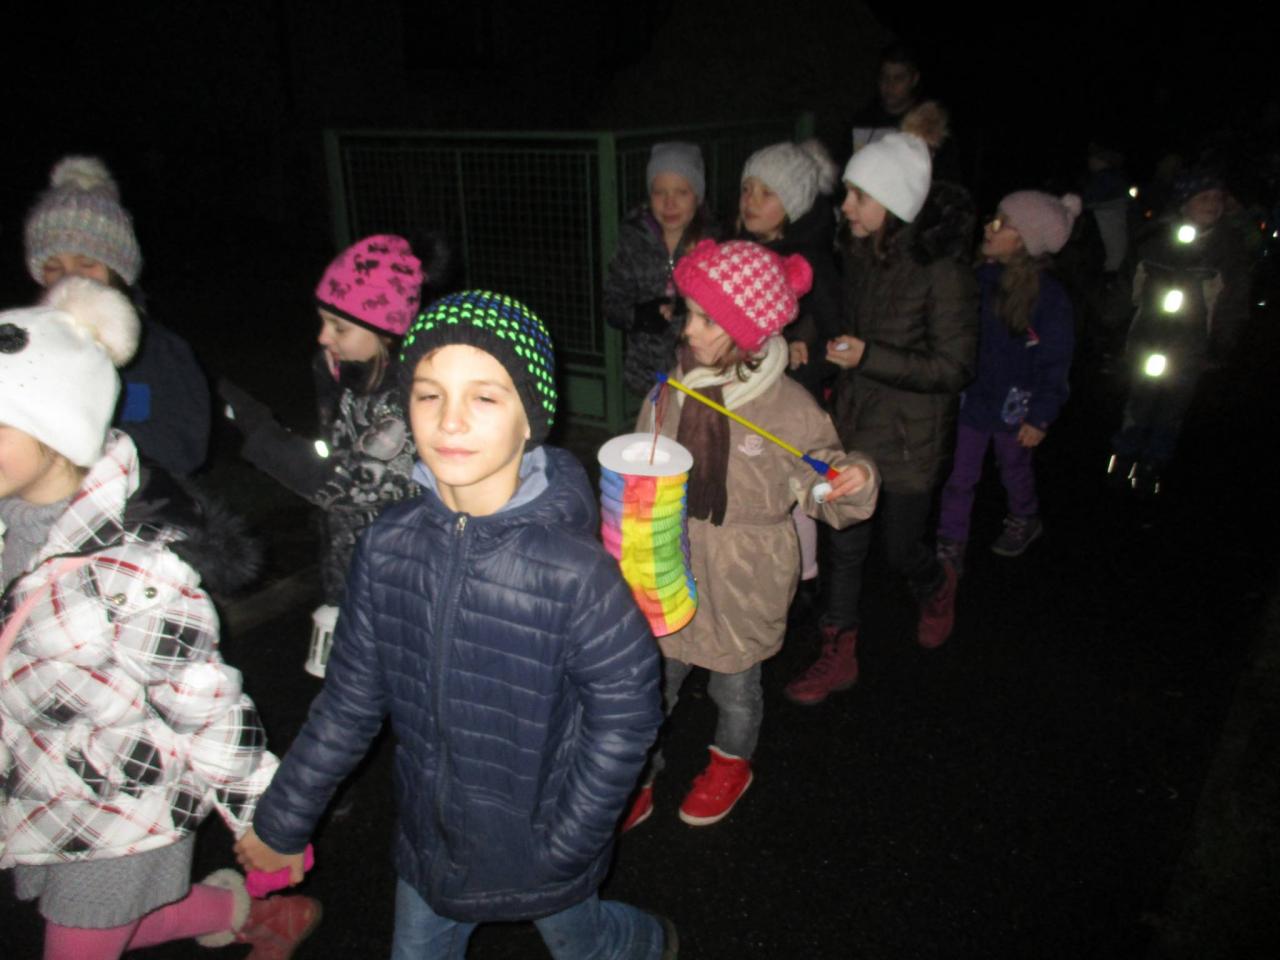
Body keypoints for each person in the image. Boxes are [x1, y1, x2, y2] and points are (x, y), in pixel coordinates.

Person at [233, 290, 675, 958]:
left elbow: (628, 713)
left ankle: (640, 939)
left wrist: (573, 840)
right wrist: (283, 819)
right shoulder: (387, 546)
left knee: (583, 946)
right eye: (429, 395)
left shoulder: (575, 573)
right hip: (430, 841)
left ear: (531, 421)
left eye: (485, 397)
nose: (450, 420)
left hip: (542, 846)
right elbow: (350, 700)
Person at [0, 278, 316, 959]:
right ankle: (240, 913)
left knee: (82, 934)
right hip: (46, 787)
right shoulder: (10, 526)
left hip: (123, 811)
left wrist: (268, 818)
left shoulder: (134, 573)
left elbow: (206, 703)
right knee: (103, 924)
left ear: (57, 431)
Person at [621, 240, 878, 832]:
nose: (689, 329)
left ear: (747, 332)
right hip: (672, 560)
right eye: (690, 313)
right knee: (653, 686)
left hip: (743, 576)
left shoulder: (788, 408)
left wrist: (852, 478)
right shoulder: (671, 389)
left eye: (706, 320)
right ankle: (637, 774)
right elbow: (642, 465)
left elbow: (825, 476)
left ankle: (731, 763)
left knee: (735, 689)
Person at [785, 123, 979, 707]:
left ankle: (934, 582)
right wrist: (811, 341)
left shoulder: (943, 270)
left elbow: (955, 367)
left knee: (898, 550)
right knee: (844, 541)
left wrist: (870, 357)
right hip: (856, 420)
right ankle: (838, 653)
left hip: (911, 436)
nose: (845, 206)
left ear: (893, 203)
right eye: (847, 192)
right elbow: (845, 323)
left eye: (858, 196)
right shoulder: (862, 252)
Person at [218, 235, 425, 674]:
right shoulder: (347, 375)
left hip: (400, 581)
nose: (323, 336)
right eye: (323, 321)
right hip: (351, 565)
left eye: (339, 327)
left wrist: (257, 429)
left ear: (386, 330)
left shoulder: (405, 403)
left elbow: (344, 486)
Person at [24, 156, 211, 476]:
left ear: (119, 272)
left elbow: (185, 448)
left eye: (87, 265)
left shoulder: (160, 352)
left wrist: (91, 444)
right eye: (54, 268)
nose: (71, 278)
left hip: (140, 499)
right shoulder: (26, 346)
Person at [936, 191, 1079, 576]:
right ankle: (951, 539)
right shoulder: (977, 278)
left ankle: (1025, 515)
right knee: (960, 475)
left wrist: (1040, 415)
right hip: (973, 399)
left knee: (1013, 466)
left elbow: (1055, 361)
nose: (989, 227)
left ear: (1025, 240)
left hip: (1016, 405)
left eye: (1002, 223)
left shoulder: (1049, 298)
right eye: (992, 218)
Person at [1107, 170, 1253, 495]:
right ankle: (1124, 455)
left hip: (1191, 344)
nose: (1212, 204)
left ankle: (1154, 463)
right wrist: (1112, 326)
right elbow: (1128, 285)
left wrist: (1222, 345)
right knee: (1140, 398)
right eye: (1204, 198)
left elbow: (1233, 302)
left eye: (1217, 198)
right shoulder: (1154, 239)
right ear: (1185, 202)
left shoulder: (1227, 248)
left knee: (1174, 403)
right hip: (1148, 336)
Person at [605, 142, 717, 397]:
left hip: (697, 371)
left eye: (681, 193)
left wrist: (684, 309)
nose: (669, 203)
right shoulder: (633, 239)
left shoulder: (712, 244)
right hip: (645, 374)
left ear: (698, 196)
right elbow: (612, 303)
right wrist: (638, 315)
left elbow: (725, 311)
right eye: (659, 192)